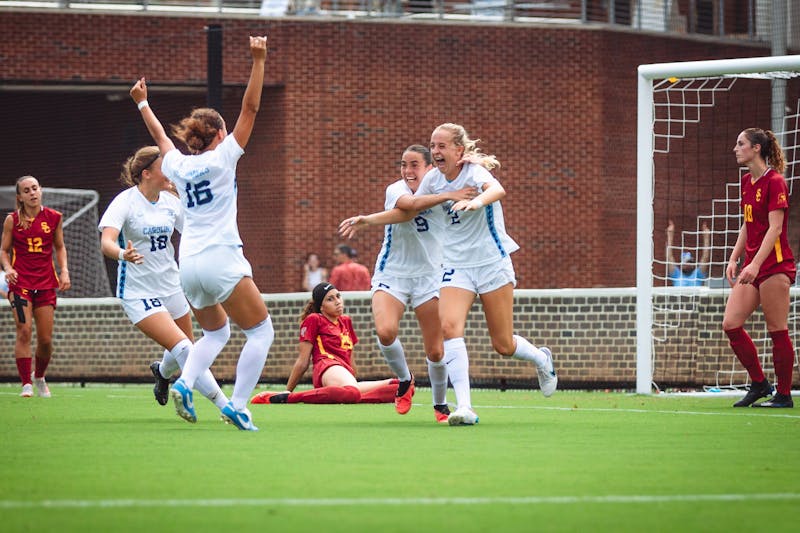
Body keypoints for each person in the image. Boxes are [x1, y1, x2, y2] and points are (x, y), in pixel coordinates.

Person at [342, 124, 557, 426]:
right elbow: (409, 210)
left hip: (491, 262)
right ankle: (465, 407)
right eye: (433, 145)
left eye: (442, 146)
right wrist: (369, 220)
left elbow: (497, 190)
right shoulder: (433, 179)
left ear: (459, 150)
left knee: (503, 345)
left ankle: (541, 358)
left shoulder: (474, 172)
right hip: (456, 265)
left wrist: (477, 201)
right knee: (450, 327)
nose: (437, 151)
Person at [129, 35, 274, 430]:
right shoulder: (225, 158)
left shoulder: (174, 164)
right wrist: (258, 60)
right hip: (221, 256)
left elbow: (160, 137)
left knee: (217, 332)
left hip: (187, 264)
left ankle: (185, 382)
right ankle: (239, 405)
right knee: (261, 331)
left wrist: (143, 102)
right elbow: (252, 106)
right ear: (220, 133)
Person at [339, 144, 478, 423]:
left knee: (437, 350)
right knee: (386, 331)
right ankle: (405, 380)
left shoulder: (442, 193)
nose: (407, 171)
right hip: (393, 273)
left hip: (430, 277)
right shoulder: (397, 189)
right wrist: (448, 194)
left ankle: (440, 404)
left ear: (429, 168)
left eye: (414, 165)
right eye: (403, 164)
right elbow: (407, 209)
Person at [98, 145, 229, 413]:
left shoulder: (171, 202)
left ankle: (161, 372)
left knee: (184, 349)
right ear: (146, 173)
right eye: (164, 167)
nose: (170, 171)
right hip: (138, 292)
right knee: (184, 349)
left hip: (172, 285)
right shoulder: (126, 201)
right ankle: (226, 406)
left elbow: (196, 232)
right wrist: (124, 254)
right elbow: (106, 242)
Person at [723, 127, 795, 409]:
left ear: (756, 149)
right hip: (752, 266)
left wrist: (754, 263)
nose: (735, 148)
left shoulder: (775, 181)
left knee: (777, 330)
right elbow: (748, 224)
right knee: (730, 324)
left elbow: (775, 228)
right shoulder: (746, 181)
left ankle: (784, 395)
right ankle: (759, 384)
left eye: (740, 144)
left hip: (775, 266)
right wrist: (733, 258)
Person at [251, 282, 400, 405]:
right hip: (327, 366)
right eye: (330, 299)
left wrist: (353, 378)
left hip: (344, 373)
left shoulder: (346, 321)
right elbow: (303, 361)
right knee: (353, 392)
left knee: (402, 386)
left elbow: (350, 358)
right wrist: (288, 390)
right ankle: (290, 398)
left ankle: (346, 395)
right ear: (321, 307)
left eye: (338, 296)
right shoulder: (315, 319)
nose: (337, 301)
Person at [1, 175, 71, 398]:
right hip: (20, 284)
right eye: (27, 190)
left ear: (40, 190)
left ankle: (39, 376)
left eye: (35, 188)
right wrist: (7, 269)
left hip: (45, 283)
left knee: (46, 339)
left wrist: (65, 271)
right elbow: (4, 250)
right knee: (24, 330)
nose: (32, 193)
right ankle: (25, 384)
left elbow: (60, 247)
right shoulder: (12, 220)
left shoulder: (53, 217)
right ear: (20, 197)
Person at [666, 219, 711, 286]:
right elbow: (669, 257)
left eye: (690, 262)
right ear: (682, 264)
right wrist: (670, 236)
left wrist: (706, 237)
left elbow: (705, 257)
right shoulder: (676, 275)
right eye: (686, 262)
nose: (688, 265)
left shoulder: (698, 275)